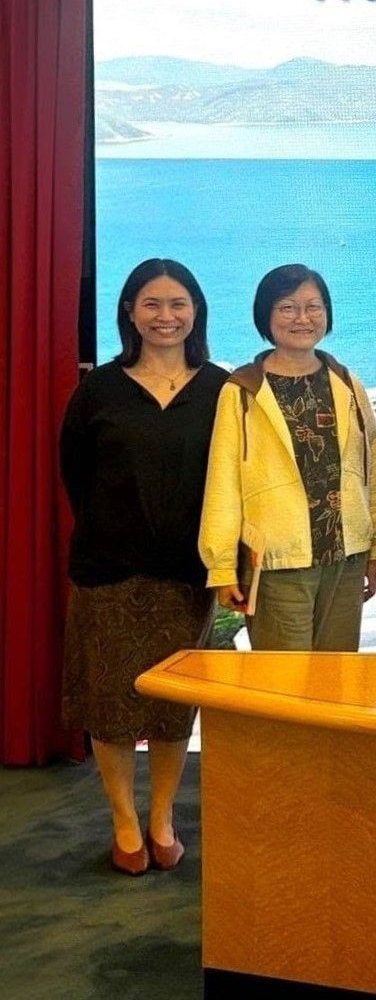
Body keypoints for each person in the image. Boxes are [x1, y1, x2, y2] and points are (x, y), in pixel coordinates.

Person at [60, 258, 228, 875]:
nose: (166, 316)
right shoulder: (99, 390)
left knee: (170, 706)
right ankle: (123, 820)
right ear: (129, 312)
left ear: (196, 312)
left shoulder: (220, 388)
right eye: (151, 304)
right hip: (109, 571)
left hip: (186, 575)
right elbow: (75, 476)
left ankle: (161, 815)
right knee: (109, 702)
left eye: (178, 303)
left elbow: (232, 483)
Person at [199, 266, 376, 651]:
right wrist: (221, 566)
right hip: (277, 562)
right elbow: (223, 486)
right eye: (288, 307)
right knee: (286, 685)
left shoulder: (346, 380)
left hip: (346, 554)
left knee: (337, 679)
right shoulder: (242, 391)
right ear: (266, 317)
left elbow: (373, 473)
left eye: (313, 307)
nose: (302, 318)